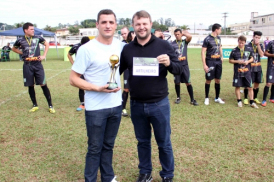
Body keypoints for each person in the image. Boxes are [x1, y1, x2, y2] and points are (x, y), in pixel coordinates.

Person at [120, 10, 183, 182]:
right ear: (133, 26)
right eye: (138, 24)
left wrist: (170, 63)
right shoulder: (127, 49)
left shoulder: (163, 45)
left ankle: (167, 175)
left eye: (144, 24)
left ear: (150, 24)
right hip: (136, 104)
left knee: (164, 142)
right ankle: (145, 172)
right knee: (142, 142)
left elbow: (179, 69)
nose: (141, 27)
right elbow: (115, 71)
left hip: (159, 104)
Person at [69, 9, 124, 182]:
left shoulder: (121, 46)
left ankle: (108, 177)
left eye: (111, 22)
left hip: (116, 105)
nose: (108, 25)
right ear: (97, 25)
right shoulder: (86, 49)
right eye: (104, 22)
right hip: (95, 108)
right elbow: (73, 79)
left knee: (108, 146)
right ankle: (90, 179)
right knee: (94, 148)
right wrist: (97, 88)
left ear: (116, 25)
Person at [12, 22, 55, 113]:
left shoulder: (38, 37)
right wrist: (22, 53)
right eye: (31, 29)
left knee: (43, 84)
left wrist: (44, 55)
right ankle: (35, 105)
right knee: (30, 85)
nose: (33, 31)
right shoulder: (20, 40)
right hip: (27, 65)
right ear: (25, 30)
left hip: (37, 65)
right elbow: (14, 48)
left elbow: (47, 44)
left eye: (33, 29)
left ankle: (50, 106)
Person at [170, 29, 198, 105]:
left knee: (188, 82)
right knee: (177, 82)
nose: (177, 36)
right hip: (176, 66)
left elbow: (190, 37)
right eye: (175, 34)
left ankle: (192, 99)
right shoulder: (172, 44)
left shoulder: (185, 42)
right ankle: (178, 97)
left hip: (184, 65)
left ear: (181, 34)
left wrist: (184, 34)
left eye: (178, 34)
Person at [229, 35, 258, 108]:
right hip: (237, 72)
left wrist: (248, 61)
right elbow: (230, 60)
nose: (241, 44)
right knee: (237, 86)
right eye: (239, 43)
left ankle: (251, 102)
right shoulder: (234, 50)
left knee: (250, 87)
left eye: (242, 43)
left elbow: (252, 58)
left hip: (247, 72)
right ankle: (239, 101)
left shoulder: (249, 49)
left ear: (245, 42)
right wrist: (237, 61)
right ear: (238, 42)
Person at [201, 23, 225, 105]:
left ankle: (217, 98)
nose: (221, 31)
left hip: (218, 61)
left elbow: (220, 47)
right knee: (208, 80)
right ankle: (206, 98)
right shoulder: (207, 39)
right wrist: (204, 65)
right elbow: (203, 52)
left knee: (218, 79)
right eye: (220, 29)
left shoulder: (219, 38)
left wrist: (222, 56)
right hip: (210, 61)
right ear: (216, 29)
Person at [67, 36, 90, 111]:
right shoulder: (76, 47)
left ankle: (91, 102)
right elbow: (69, 54)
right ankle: (82, 104)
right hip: (80, 70)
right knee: (81, 86)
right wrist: (73, 64)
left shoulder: (92, 46)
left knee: (91, 85)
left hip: (90, 69)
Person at [243, 31, 264, 105]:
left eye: (259, 38)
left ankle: (255, 97)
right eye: (256, 37)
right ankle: (245, 98)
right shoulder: (247, 45)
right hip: (250, 67)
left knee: (257, 83)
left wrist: (258, 45)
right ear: (253, 37)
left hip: (258, 67)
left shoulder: (260, 45)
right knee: (248, 83)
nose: (257, 39)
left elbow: (261, 55)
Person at [121, 31, 135, 116]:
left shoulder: (139, 45)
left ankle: (133, 110)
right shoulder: (124, 45)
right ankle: (123, 109)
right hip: (127, 70)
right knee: (126, 89)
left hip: (136, 70)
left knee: (135, 89)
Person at [262, 39, 274, 106]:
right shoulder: (271, 43)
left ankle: (272, 98)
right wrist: (273, 55)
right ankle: (264, 100)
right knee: (268, 83)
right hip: (271, 66)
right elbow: (265, 53)